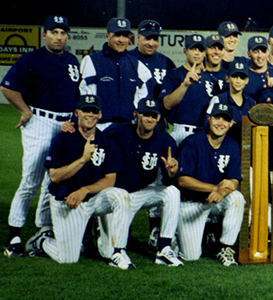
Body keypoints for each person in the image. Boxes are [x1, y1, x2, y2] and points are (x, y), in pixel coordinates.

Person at [2, 15, 79, 258]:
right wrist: (25, 111)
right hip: (40, 122)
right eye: (54, 32)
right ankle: (14, 236)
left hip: (65, 124)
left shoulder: (72, 60)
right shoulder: (31, 59)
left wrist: (73, 121)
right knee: (32, 180)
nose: (59, 37)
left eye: (63, 32)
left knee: (52, 182)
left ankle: (42, 230)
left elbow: (76, 95)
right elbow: (7, 87)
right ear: (44, 34)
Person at [27, 95, 133, 269]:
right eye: (86, 110)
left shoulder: (106, 141)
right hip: (68, 201)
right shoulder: (63, 139)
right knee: (68, 258)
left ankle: (118, 251)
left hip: (92, 199)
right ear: (77, 113)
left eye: (94, 111)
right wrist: (83, 159)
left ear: (100, 115)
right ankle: (43, 241)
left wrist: (85, 189)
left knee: (121, 195)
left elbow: (110, 179)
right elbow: (55, 177)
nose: (90, 115)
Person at [102, 97, 182, 266]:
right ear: (136, 114)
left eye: (153, 116)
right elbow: (95, 138)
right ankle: (108, 241)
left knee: (172, 192)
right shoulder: (119, 131)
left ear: (159, 118)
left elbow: (168, 179)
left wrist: (172, 173)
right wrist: (71, 127)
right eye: (146, 115)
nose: (150, 119)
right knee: (107, 251)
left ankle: (164, 249)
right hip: (116, 197)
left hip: (140, 194)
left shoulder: (165, 141)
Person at [175, 103, 245, 266]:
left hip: (216, 200)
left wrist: (222, 192)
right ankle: (176, 236)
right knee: (191, 256)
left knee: (237, 198)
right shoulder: (192, 142)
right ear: (209, 119)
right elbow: (183, 180)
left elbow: (234, 181)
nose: (220, 123)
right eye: (217, 118)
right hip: (191, 203)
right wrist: (216, 188)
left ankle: (225, 248)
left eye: (225, 119)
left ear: (230, 123)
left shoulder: (232, 145)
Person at [79, 17, 152, 129]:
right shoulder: (92, 61)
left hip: (129, 127)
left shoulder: (137, 65)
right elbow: (84, 95)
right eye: (117, 35)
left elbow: (142, 99)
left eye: (125, 36)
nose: (121, 40)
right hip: (100, 126)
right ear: (107, 36)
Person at [160, 34, 211, 145]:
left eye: (200, 49)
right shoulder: (174, 74)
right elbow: (167, 104)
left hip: (203, 133)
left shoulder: (211, 79)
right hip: (180, 131)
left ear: (204, 53)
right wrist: (185, 84)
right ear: (185, 51)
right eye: (193, 49)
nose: (197, 53)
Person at [206, 61, 256, 143]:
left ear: (247, 80)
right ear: (227, 78)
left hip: (246, 148)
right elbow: (206, 126)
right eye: (235, 77)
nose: (238, 81)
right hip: (224, 146)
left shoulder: (252, 103)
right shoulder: (218, 99)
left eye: (242, 78)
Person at [129, 20, 175, 102]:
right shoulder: (127, 59)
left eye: (155, 39)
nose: (151, 43)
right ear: (138, 38)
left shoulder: (167, 63)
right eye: (148, 38)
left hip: (158, 113)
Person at [244, 35, 273, 103]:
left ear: (268, 52)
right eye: (256, 52)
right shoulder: (244, 75)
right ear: (249, 54)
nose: (260, 56)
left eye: (263, 51)